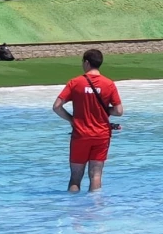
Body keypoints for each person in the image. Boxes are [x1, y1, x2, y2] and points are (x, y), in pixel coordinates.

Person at [52, 49, 124, 193]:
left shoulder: (75, 83)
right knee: (96, 175)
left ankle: (72, 210)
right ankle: (96, 210)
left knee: (75, 177)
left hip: (80, 134)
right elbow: (118, 111)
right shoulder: (108, 84)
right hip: (101, 135)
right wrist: (102, 110)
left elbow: (57, 107)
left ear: (86, 62)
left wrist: (72, 120)